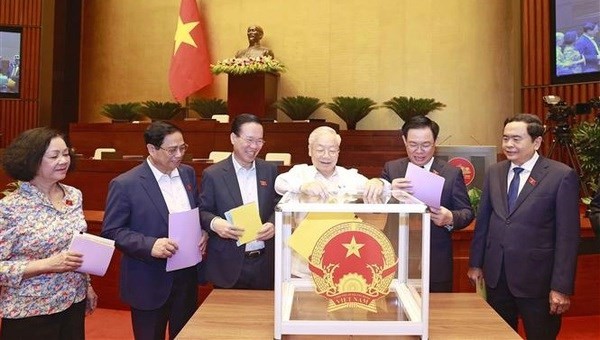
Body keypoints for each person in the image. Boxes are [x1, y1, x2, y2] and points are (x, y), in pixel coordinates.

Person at [467, 113, 580, 339]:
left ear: (536, 142)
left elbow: (568, 237)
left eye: (516, 139)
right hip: (497, 277)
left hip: (538, 281)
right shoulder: (494, 172)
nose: (509, 144)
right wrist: (476, 264)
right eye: (505, 138)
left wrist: (561, 287)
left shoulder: (560, 175)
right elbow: (484, 222)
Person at [101, 121, 208, 340]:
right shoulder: (126, 184)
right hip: (148, 280)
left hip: (186, 276)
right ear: (151, 149)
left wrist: (203, 231)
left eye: (183, 148)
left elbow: (195, 212)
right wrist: (151, 245)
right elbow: (112, 231)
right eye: (172, 150)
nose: (179, 155)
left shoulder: (187, 174)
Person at [0, 127, 97, 339]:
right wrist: (48, 265)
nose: (64, 160)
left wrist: (86, 285)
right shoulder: (9, 208)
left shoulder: (73, 195)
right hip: (30, 311)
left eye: (66, 154)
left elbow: (76, 246)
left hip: (72, 300)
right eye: (54, 156)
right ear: (31, 161)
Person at [381, 115, 474, 292]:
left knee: (438, 315)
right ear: (404, 141)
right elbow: (375, 207)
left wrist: (450, 217)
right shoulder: (392, 169)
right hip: (398, 258)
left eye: (426, 145)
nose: (419, 151)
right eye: (413, 144)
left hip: (435, 262)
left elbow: (467, 212)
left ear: (435, 142)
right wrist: (388, 189)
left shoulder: (451, 173)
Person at [199, 113, 279, 290]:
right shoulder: (213, 174)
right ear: (233, 138)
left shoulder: (270, 170)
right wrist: (215, 223)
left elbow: (278, 204)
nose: (254, 146)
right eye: (249, 140)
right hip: (228, 264)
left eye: (259, 141)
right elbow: (202, 211)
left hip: (265, 264)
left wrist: (274, 224)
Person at [275, 126, 388, 198]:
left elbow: (378, 187)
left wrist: (378, 182)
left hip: (340, 233)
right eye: (320, 150)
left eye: (332, 150)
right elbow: (279, 183)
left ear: (338, 152)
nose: (326, 156)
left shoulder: (349, 175)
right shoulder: (301, 172)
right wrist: (302, 186)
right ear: (310, 150)